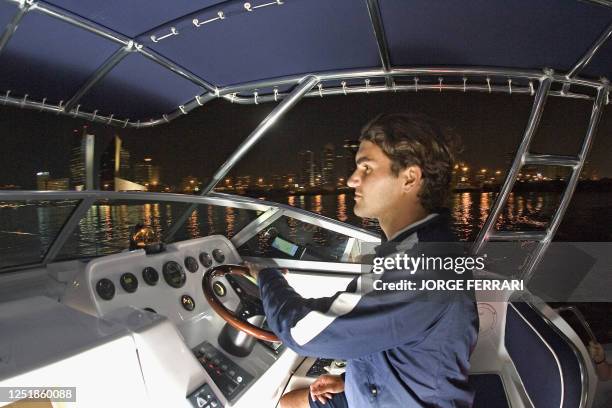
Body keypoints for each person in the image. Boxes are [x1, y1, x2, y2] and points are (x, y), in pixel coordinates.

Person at [249, 113, 479, 407]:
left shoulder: (420, 264)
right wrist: (350, 378)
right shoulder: (417, 246)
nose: (351, 179)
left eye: (366, 168)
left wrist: (268, 277)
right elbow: (397, 334)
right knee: (288, 402)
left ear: (409, 178)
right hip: (379, 387)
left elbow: (303, 331)